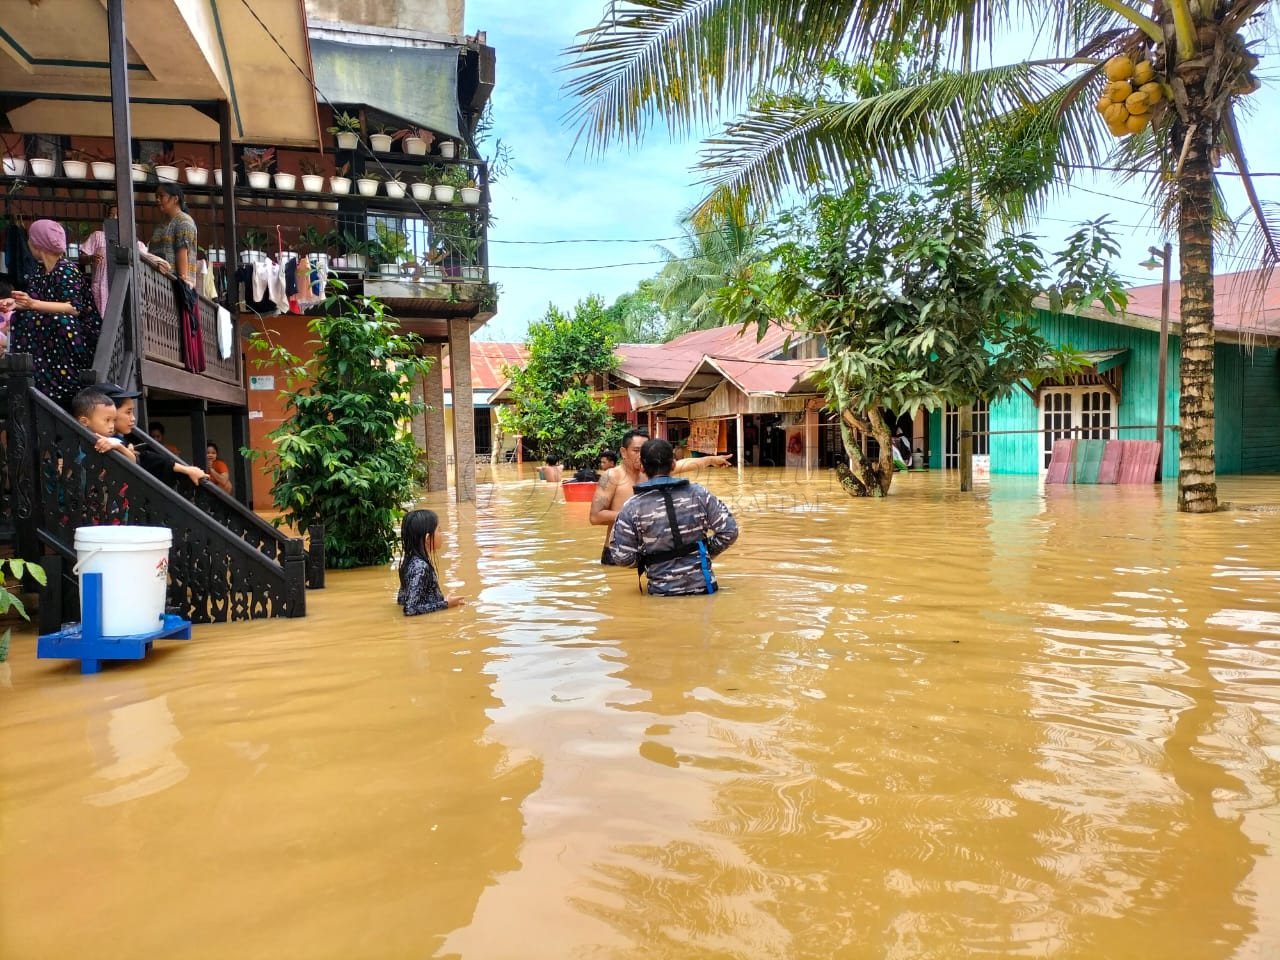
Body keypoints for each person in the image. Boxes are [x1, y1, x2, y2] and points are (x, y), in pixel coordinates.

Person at [608, 438, 739, 596]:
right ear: (673, 464)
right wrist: (702, 551)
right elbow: (729, 531)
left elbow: (622, 557)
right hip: (705, 589)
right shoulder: (699, 493)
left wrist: (649, 559)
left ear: (642, 467)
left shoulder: (631, 507)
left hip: (660, 594)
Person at [590, 429, 732, 565]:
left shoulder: (653, 471)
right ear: (623, 452)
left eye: (644, 451)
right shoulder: (610, 476)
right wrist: (637, 517)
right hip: (618, 554)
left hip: (651, 555)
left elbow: (685, 464)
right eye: (636, 450)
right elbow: (595, 517)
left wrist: (712, 459)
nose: (640, 456)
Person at [7, 220, 103, 408]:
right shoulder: (40, 271)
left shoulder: (66, 269)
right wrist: (16, 304)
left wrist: (33, 304)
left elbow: (73, 308)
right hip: (52, 339)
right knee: (22, 317)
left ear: (37, 243)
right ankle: (35, 377)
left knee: (60, 320)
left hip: (79, 334)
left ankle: (67, 381)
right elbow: (35, 301)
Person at [102, 384, 206, 488]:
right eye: (128, 412)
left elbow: (148, 458)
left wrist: (186, 469)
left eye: (132, 412)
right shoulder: (103, 441)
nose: (133, 418)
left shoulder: (118, 439)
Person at [396, 509, 465, 615]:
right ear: (428, 538)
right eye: (439, 530)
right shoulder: (420, 566)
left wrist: (442, 601)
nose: (442, 534)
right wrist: (446, 604)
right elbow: (410, 609)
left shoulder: (409, 562)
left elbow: (401, 599)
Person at [147, 183, 197, 285]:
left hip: (174, 288)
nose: (157, 200)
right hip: (158, 285)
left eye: (161, 196)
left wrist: (182, 285)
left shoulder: (183, 222)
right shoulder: (161, 224)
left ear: (175, 199)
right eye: (156, 196)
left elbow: (182, 253)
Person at [71, 387, 135, 462]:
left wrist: (119, 447)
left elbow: (132, 461)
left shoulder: (112, 441)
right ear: (84, 422)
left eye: (113, 420)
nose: (112, 426)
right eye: (107, 420)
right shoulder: (72, 440)